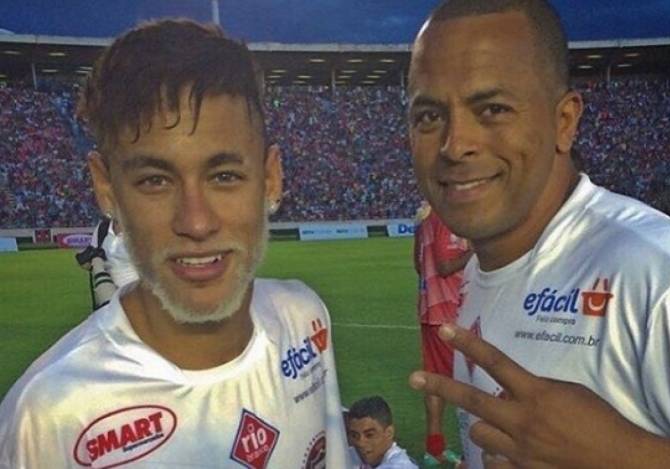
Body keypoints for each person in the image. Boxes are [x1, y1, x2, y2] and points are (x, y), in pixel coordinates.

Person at [0, 19, 349, 468]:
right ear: (107, 189)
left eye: (225, 176)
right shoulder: (46, 417)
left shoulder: (305, 320)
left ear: (271, 179)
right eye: (155, 181)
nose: (196, 222)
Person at [406, 1, 670, 468]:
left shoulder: (669, 282)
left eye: (493, 109)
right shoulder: (482, 270)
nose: (454, 145)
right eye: (428, 116)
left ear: (564, 122)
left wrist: (625, 457)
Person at [413, 201, 470, 466]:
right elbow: (445, 266)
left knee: (435, 382)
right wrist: (476, 250)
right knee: (466, 383)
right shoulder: (447, 219)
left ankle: (434, 449)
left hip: (431, 310)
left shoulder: (425, 220)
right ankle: (472, 451)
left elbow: (418, 265)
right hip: (450, 313)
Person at [76, 216, 139, 309]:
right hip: (106, 295)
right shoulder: (103, 227)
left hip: (136, 297)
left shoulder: (140, 228)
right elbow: (93, 253)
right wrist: (89, 262)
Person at [347, 396, 418, 469]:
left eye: (369, 435)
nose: (360, 443)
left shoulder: (400, 466)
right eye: (354, 435)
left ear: (389, 433)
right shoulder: (350, 454)